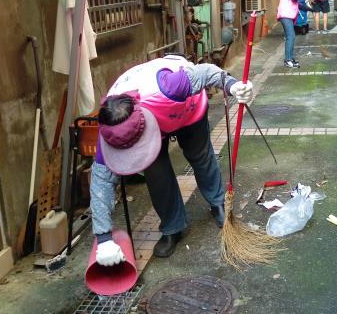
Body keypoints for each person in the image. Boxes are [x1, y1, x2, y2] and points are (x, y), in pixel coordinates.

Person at [90, 54, 254, 266]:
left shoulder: (169, 86)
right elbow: (101, 181)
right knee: (156, 175)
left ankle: (217, 203)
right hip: (153, 116)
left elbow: (206, 72)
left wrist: (231, 85)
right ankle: (172, 228)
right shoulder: (111, 129)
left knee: (200, 155)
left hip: (186, 110)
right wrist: (103, 238)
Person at [277, 0, 308, 68]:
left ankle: (289, 58)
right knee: (291, 36)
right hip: (285, 14)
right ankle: (288, 60)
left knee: (291, 36)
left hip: (287, 13)